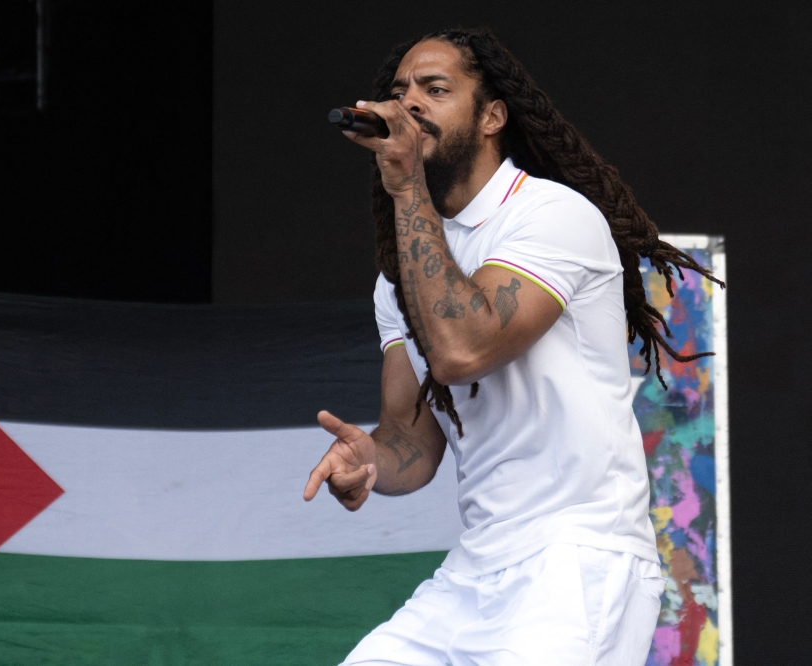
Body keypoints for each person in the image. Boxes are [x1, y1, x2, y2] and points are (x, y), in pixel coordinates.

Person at [302, 27, 723, 666]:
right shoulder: (400, 277)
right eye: (399, 91)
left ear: (493, 116)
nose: (410, 103)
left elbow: (464, 350)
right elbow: (412, 442)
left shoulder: (551, 215)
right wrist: (370, 465)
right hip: (477, 568)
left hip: (575, 559)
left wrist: (407, 184)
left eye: (435, 89)